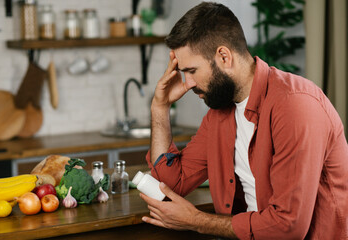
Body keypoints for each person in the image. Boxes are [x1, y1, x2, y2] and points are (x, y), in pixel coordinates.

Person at [139, 2, 348, 239]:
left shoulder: (294, 106)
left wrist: (197, 221)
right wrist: (160, 106)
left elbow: (288, 227)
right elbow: (170, 185)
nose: (188, 84)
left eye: (192, 71)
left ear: (224, 57)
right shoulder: (220, 114)